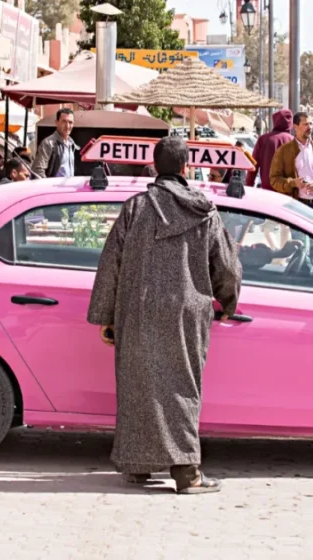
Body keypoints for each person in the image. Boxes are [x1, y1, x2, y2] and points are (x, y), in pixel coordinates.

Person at [87, 136, 242, 495]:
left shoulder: (135, 208)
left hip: (138, 309)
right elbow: (226, 267)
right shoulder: (204, 211)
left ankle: (137, 465)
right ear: (187, 167)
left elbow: (111, 263)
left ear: (155, 166)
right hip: (186, 313)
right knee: (181, 388)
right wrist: (228, 302)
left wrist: (106, 316)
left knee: (138, 386)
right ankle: (187, 473)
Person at [269, 111, 313, 212]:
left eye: (311, 124)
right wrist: (293, 183)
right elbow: (274, 179)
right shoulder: (283, 151)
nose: (310, 127)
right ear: (295, 127)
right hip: (294, 204)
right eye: (305, 124)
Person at [245, 109, 294, 190]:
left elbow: (253, 165)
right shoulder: (294, 141)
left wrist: (249, 185)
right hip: (288, 191)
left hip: (267, 191)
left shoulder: (263, 139)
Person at [31, 108, 79, 178]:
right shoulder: (48, 143)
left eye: (70, 122)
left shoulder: (72, 144)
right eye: (64, 122)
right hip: (54, 185)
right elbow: (38, 170)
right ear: (56, 122)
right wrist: (49, 184)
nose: (67, 126)